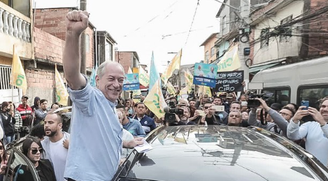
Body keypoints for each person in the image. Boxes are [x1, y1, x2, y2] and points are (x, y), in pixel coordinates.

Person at [62, 10, 143, 181]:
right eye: (111, 79)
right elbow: (72, 75)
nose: (116, 84)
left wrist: (127, 143)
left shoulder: (112, 108)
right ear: (97, 80)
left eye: (120, 80)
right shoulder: (91, 99)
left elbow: (109, 136)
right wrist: (72, 34)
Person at [287, 97, 328, 166]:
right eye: (323, 106)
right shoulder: (310, 125)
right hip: (313, 169)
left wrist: (322, 122)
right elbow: (292, 136)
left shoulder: (321, 123)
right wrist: (295, 120)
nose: (325, 109)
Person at [42, 112, 70, 181]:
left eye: (50, 122)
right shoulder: (42, 145)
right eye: (45, 123)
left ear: (60, 125)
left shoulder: (72, 141)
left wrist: (72, 148)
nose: (46, 125)